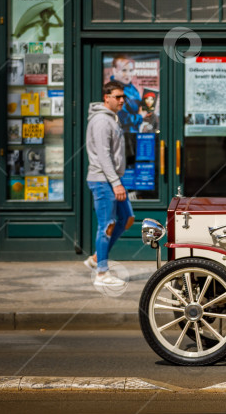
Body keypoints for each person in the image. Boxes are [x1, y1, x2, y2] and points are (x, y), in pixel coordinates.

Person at [83, 81, 135, 287]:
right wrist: (115, 182)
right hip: (103, 180)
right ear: (107, 97)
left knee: (127, 218)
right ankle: (102, 274)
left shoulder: (111, 118)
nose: (122, 100)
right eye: (118, 97)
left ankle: (96, 258)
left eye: (123, 97)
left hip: (111, 179)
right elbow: (103, 156)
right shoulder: (101, 121)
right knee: (108, 225)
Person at [109, 57, 143, 133]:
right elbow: (121, 118)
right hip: (124, 135)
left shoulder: (131, 87)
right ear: (114, 70)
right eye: (124, 70)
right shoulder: (114, 90)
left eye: (130, 70)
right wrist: (140, 117)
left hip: (134, 133)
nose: (128, 74)